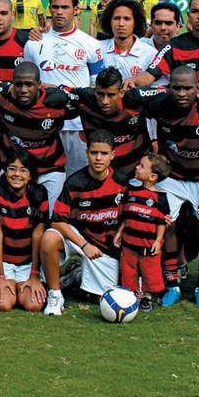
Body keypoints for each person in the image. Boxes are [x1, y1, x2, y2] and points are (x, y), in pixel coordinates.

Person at [143, 65, 199, 308]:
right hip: (173, 178)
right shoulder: (160, 104)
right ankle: (172, 286)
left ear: (197, 88)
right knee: (168, 227)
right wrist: (154, 143)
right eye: (176, 88)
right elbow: (139, 107)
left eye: (187, 88)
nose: (182, 93)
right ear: (169, 88)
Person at [41, 130, 128, 315]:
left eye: (104, 153)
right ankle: (55, 294)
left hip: (104, 245)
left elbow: (130, 214)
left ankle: (76, 275)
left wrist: (122, 230)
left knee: (102, 299)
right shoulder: (75, 182)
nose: (98, 158)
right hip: (78, 236)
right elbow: (57, 221)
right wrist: (84, 244)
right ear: (86, 153)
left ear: (112, 155)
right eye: (94, 152)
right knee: (49, 238)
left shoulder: (121, 181)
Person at [24, 0, 104, 174]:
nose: (60, 12)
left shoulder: (91, 44)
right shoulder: (34, 42)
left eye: (65, 7)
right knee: (41, 175)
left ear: (76, 9)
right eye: (56, 7)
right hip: (42, 121)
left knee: (78, 174)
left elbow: (98, 86)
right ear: (49, 9)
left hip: (77, 123)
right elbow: (27, 82)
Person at [0, 61, 74, 204]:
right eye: (18, 84)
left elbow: (88, 97)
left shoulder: (58, 102)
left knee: (51, 219)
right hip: (15, 171)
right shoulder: (2, 96)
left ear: (39, 84)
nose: (23, 90)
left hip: (50, 170)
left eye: (29, 85)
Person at [0, 151, 49, 312]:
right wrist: (0, 275)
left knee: (33, 305)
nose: (17, 174)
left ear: (30, 175)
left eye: (23, 170)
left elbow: (37, 235)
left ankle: (38, 281)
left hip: (27, 262)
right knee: (3, 304)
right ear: (5, 172)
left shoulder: (40, 193)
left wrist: (34, 274)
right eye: (12, 169)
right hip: (1, 261)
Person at [113, 152, 170, 311]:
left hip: (148, 245)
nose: (137, 167)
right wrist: (119, 233)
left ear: (153, 177)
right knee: (128, 270)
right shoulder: (131, 192)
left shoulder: (160, 198)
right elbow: (127, 216)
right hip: (129, 243)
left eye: (142, 166)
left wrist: (158, 241)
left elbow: (161, 222)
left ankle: (147, 296)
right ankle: (129, 295)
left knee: (149, 272)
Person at [98, 0, 156, 80]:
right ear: (109, 21)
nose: (121, 24)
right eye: (117, 18)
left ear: (135, 23)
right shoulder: (97, 49)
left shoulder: (150, 54)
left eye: (127, 19)